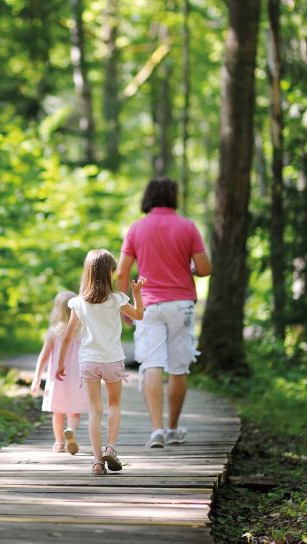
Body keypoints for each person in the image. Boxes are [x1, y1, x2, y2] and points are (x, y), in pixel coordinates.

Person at [117, 177, 211, 449]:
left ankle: (156, 429)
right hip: (181, 303)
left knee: (151, 364)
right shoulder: (188, 227)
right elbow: (205, 268)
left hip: (147, 305)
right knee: (178, 367)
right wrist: (189, 269)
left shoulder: (136, 229)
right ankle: (173, 428)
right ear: (173, 196)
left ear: (147, 197)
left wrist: (125, 306)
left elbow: (122, 272)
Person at [57, 249, 145, 476]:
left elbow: (67, 336)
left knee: (94, 411)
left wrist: (60, 363)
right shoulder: (117, 299)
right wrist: (137, 293)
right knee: (114, 405)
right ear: (110, 273)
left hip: (88, 361)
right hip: (112, 360)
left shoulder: (78, 303)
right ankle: (110, 448)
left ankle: (97, 462)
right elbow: (138, 316)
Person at [30, 291, 88, 454]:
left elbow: (43, 356)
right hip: (78, 377)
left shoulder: (53, 333)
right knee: (74, 411)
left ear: (57, 310)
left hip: (58, 379)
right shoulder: (83, 332)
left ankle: (59, 443)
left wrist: (36, 379)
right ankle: (71, 431)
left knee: (58, 412)